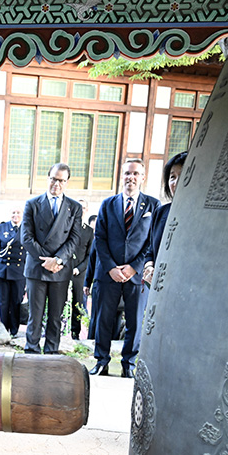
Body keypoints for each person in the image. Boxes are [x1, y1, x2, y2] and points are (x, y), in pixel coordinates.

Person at [89, 158, 161, 378]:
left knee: (134, 321)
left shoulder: (152, 205)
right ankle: (101, 361)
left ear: (143, 177)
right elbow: (99, 238)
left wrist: (134, 267)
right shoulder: (108, 204)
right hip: (108, 273)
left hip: (137, 276)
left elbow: (152, 240)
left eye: (136, 174)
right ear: (122, 176)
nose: (131, 178)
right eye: (127, 174)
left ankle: (128, 363)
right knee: (104, 319)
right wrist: (111, 267)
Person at [20, 163, 83, 354]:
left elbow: (75, 238)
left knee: (56, 316)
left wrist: (58, 260)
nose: (56, 184)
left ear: (67, 182)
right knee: (35, 315)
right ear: (48, 178)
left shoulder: (75, 207)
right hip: (37, 268)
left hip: (60, 269)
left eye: (61, 180)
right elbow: (26, 237)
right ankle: (31, 350)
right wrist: (47, 260)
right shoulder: (32, 204)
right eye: (53, 179)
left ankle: (52, 352)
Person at [142, 151, 187, 285]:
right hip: (159, 286)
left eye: (183, 175)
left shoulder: (203, 214)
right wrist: (149, 267)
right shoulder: (161, 212)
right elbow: (150, 250)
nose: (176, 182)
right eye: (172, 177)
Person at [0, 207, 26, 337]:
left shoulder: (27, 228)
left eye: (18, 213)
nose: (15, 215)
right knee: (3, 301)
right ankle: (4, 329)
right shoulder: (1, 228)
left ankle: (15, 330)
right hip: (3, 271)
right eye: (13, 213)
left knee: (16, 301)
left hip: (20, 272)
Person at [68, 199, 94, 340]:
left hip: (79, 272)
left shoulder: (89, 231)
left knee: (77, 303)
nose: (81, 210)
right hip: (63, 270)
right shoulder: (66, 227)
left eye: (83, 208)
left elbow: (90, 254)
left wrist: (79, 268)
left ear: (86, 210)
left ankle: (75, 333)